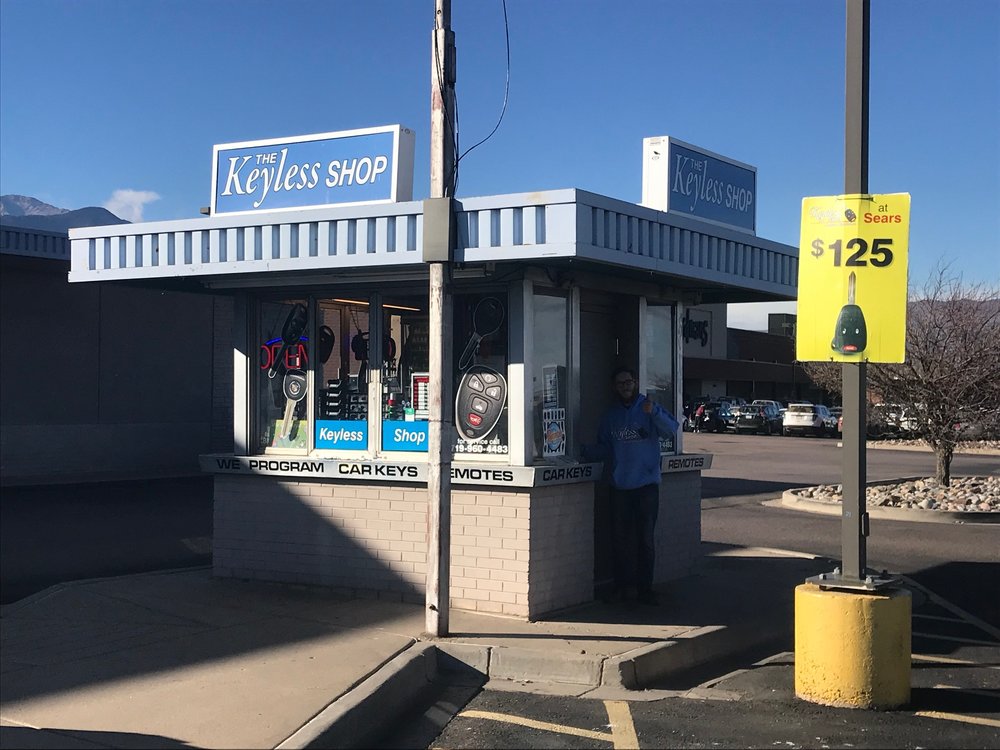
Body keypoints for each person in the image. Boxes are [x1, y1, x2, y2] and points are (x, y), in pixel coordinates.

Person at [593, 365, 679, 606]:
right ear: (615, 387)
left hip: (646, 488)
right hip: (620, 486)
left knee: (645, 540)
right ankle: (621, 587)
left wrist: (654, 414)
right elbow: (604, 446)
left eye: (628, 382)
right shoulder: (611, 416)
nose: (625, 387)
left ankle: (645, 590)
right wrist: (578, 453)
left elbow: (671, 431)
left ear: (636, 382)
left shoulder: (648, 407)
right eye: (620, 383)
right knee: (619, 541)